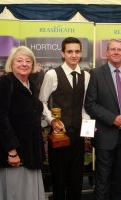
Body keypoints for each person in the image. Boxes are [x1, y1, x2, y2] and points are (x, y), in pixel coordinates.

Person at [0, 46, 45, 200]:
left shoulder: (31, 84)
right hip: (13, 155)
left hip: (30, 153)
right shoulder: (6, 82)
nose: (24, 64)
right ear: (11, 64)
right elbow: (0, 118)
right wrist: (12, 151)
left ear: (32, 65)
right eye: (19, 60)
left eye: (28, 61)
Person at [84, 39, 121, 200]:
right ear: (106, 53)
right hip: (105, 135)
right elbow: (90, 104)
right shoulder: (96, 74)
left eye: (119, 49)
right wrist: (113, 119)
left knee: (119, 179)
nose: (116, 52)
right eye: (112, 49)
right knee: (102, 179)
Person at [39, 37, 90, 200]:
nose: (74, 55)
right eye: (70, 51)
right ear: (63, 53)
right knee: (59, 180)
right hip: (59, 136)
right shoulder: (52, 75)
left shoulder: (86, 76)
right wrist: (52, 120)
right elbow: (42, 102)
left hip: (78, 136)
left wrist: (87, 125)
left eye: (77, 51)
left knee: (76, 179)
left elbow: (84, 106)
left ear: (81, 53)